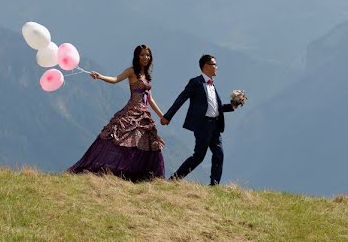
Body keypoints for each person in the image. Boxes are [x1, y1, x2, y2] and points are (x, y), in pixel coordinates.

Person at [67, 45, 165, 181]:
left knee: (147, 143)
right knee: (119, 139)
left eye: (148, 55)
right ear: (137, 56)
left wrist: (161, 116)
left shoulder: (146, 75)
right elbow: (115, 80)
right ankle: (114, 169)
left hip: (144, 115)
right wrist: (100, 76)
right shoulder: (131, 71)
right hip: (131, 112)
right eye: (142, 55)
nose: (145, 57)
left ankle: (141, 176)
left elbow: (150, 98)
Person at [161, 54, 241, 185]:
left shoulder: (211, 85)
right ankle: (174, 179)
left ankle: (214, 185)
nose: (217, 67)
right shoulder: (196, 82)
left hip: (215, 125)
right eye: (214, 64)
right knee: (198, 157)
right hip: (203, 125)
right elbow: (181, 99)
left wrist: (232, 106)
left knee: (219, 155)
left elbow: (215, 107)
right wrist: (167, 116)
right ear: (206, 66)